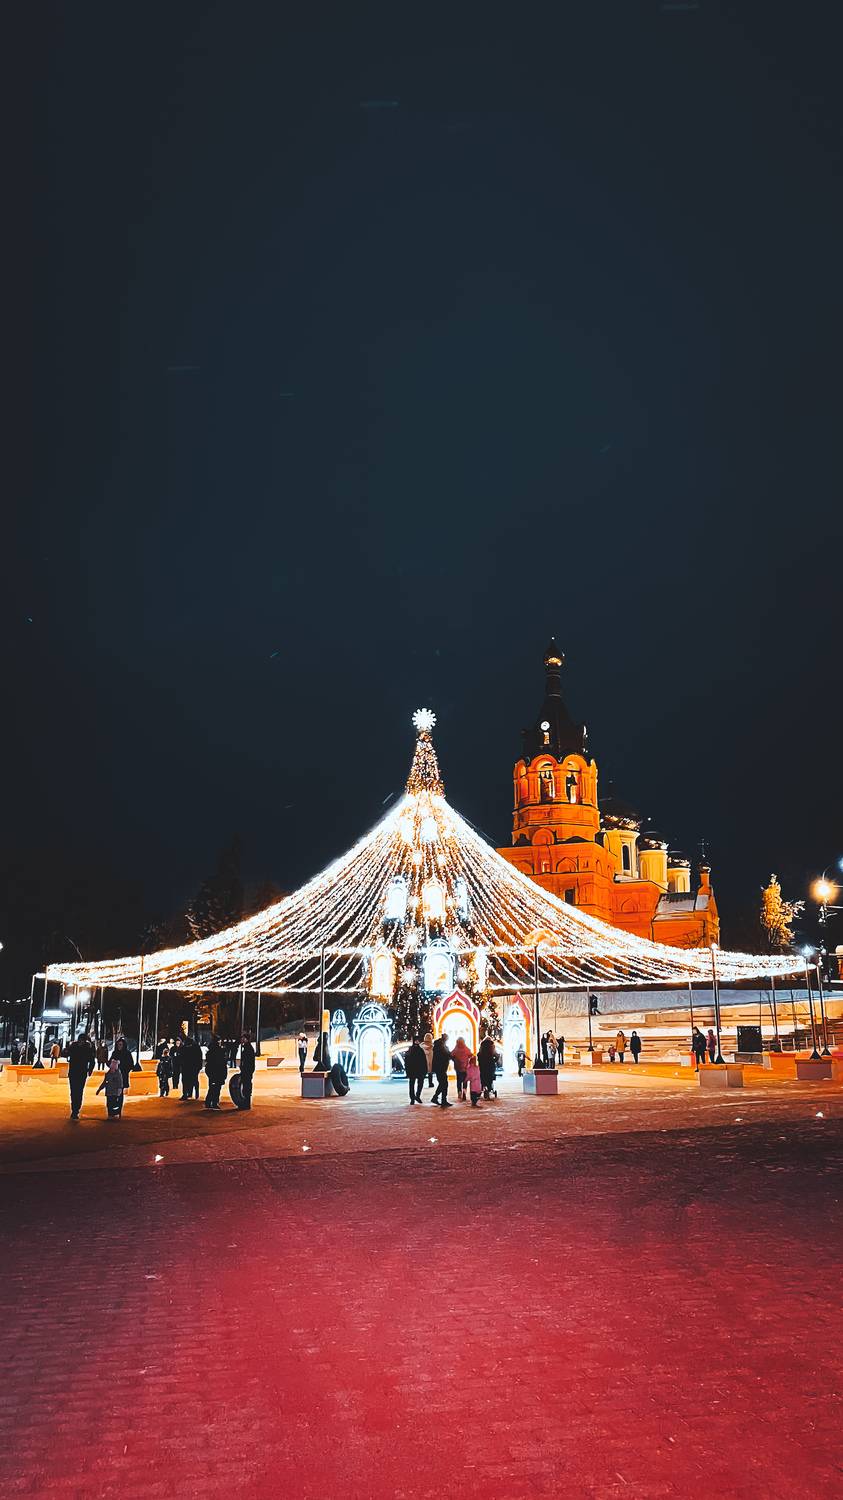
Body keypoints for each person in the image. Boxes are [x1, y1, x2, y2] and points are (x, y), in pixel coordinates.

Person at [67, 1032, 95, 1119]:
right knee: (73, 1091)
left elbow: (92, 1060)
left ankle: (76, 1110)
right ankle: (74, 1110)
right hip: (73, 1072)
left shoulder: (87, 1048)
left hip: (81, 1073)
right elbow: (66, 1053)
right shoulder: (73, 1046)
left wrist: (90, 1070)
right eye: (80, 1040)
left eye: (83, 1040)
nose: (81, 1042)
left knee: (79, 1091)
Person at [204, 1036, 227, 1110]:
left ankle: (210, 1102)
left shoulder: (211, 1051)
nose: (220, 1042)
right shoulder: (218, 1051)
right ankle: (213, 1102)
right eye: (219, 1041)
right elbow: (222, 1063)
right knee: (215, 1088)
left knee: (213, 1088)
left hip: (214, 1072)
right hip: (217, 1072)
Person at [403, 1035, 427, 1104]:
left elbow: (424, 1060)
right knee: (412, 1084)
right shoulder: (411, 1050)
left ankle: (417, 1096)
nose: (417, 1042)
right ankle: (413, 1098)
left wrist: (425, 1069)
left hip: (419, 1070)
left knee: (419, 1084)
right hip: (413, 1070)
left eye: (418, 1040)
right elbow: (407, 1061)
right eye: (416, 1040)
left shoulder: (419, 1050)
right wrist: (407, 1070)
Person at [431, 1034, 452, 1107]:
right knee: (444, 1084)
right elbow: (446, 1055)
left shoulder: (439, 1046)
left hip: (440, 1068)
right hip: (441, 1068)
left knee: (442, 1084)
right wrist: (450, 1055)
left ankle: (436, 1098)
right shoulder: (441, 1047)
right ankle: (443, 1100)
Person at [239, 1033, 256, 1110]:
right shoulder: (247, 1048)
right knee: (246, 1087)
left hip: (247, 1071)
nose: (242, 1039)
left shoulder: (248, 1048)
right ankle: (246, 1103)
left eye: (243, 1038)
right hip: (247, 1070)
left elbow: (248, 1061)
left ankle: (246, 1104)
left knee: (246, 1087)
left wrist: (244, 1069)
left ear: (247, 1039)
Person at [451, 1036, 471, 1101]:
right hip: (465, 1067)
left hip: (458, 1067)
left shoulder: (456, 1049)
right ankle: (464, 1091)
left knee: (459, 1081)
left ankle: (459, 1092)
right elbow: (470, 1055)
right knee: (465, 1081)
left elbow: (451, 1055)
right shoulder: (466, 1049)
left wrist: (455, 1060)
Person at [478, 1034, 497, 1099]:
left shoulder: (482, 1045)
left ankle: (483, 1088)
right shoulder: (492, 1045)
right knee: (490, 1077)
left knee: (483, 1076)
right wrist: (496, 1059)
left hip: (482, 1064)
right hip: (490, 1064)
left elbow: (479, 1054)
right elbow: (495, 1054)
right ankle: (489, 1089)